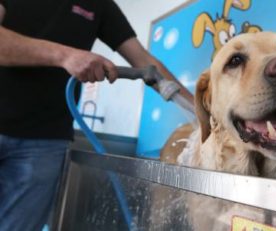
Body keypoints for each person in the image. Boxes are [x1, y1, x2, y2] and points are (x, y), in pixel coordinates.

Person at [0, 1, 194, 231]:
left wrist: (200, 111)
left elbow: (144, 60)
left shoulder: (100, 5)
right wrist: (64, 56)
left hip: (45, 141)